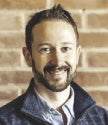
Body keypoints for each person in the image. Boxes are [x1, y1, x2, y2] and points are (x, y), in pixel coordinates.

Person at [0, 4, 108, 125]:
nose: (58, 61)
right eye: (45, 49)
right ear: (28, 56)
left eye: (66, 48)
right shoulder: (4, 120)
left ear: (77, 55)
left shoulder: (103, 119)